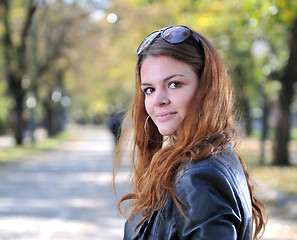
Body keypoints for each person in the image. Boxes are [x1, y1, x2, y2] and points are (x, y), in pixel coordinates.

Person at [113, 25, 268, 240]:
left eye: (175, 84)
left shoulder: (199, 177)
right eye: (149, 89)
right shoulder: (209, 159)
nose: (158, 100)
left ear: (206, 89)